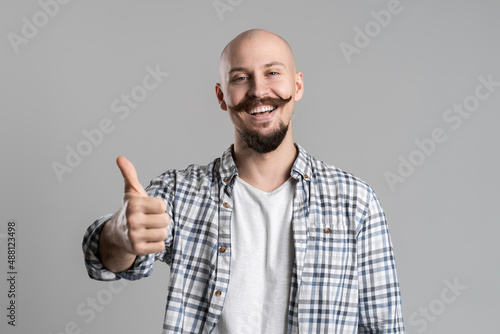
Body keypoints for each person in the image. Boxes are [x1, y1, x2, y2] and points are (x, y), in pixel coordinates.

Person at [83, 29, 405, 333]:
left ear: (298, 85)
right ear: (222, 96)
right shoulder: (181, 194)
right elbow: (109, 261)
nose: (258, 90)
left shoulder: (354, 200)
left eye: (272, 73)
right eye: (240, 78)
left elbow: (383, 327)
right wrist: (120, 235)